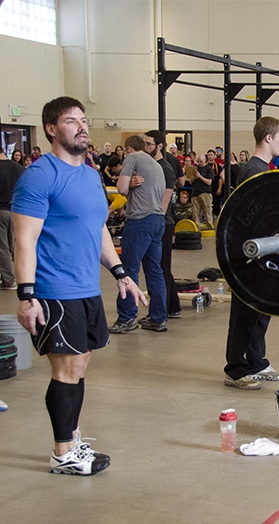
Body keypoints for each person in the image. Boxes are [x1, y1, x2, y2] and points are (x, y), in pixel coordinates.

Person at [11, 96, 146, 475]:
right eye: (72, 121)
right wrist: (26, 295)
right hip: (55, 289)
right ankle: (63, 452)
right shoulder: (40, 175)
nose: (82, 126)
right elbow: (24, 239)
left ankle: (71, 438)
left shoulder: (88, 174)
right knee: (66, 369)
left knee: (80, 365)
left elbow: (98, 228)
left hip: (87, 288)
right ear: (52, 129)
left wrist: (120, 273)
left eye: (83, 120)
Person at [223, 116, 279, 390]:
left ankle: (257, 362)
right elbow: (248, 218)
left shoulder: (265, 168)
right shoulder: (253, 171)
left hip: (266, 252)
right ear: (268, 138)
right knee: (245, 313)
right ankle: (236, 369)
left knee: (262, 311)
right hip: (250, 254)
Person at [110, 135, 168, 333]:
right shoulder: (156, 164)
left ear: (128, 149)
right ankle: (158, 318)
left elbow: (121, 188)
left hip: (140, 221)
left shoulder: (133, 159)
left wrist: (129, 184)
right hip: (157, 220)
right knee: (154, 270)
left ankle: (127, 318)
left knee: (128, 269)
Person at [143, 129, 182, 320]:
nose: (146, 147)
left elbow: (164, 202)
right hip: (158, 221)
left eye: (149, 144)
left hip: (162, 222)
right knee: (162, 266)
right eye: (144, 143)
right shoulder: (152, 166)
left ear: (159, 146)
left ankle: (162, 311)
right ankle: (173, 307)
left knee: (160, 268)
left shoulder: (164, 168)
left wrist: (154, 224)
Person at [0, 151, 24, 290]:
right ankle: (25, 278)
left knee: (2, 248)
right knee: (18, 247)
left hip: (1, 211)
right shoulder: (18, 168)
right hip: (17, 212)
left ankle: (8, 280)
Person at [191, 152, 215, 229]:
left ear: (205, 160)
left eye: (201, 161)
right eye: (198, 161)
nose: (199, 163)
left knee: (207, 211)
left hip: (205, 193)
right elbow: (191, 182)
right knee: (195, 212)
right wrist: (193, 177)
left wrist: (200, 176)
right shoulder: (195, 168)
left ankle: (209, 226)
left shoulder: (209, 169)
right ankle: (197, 227)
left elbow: (209, 182)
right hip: (195, 192)